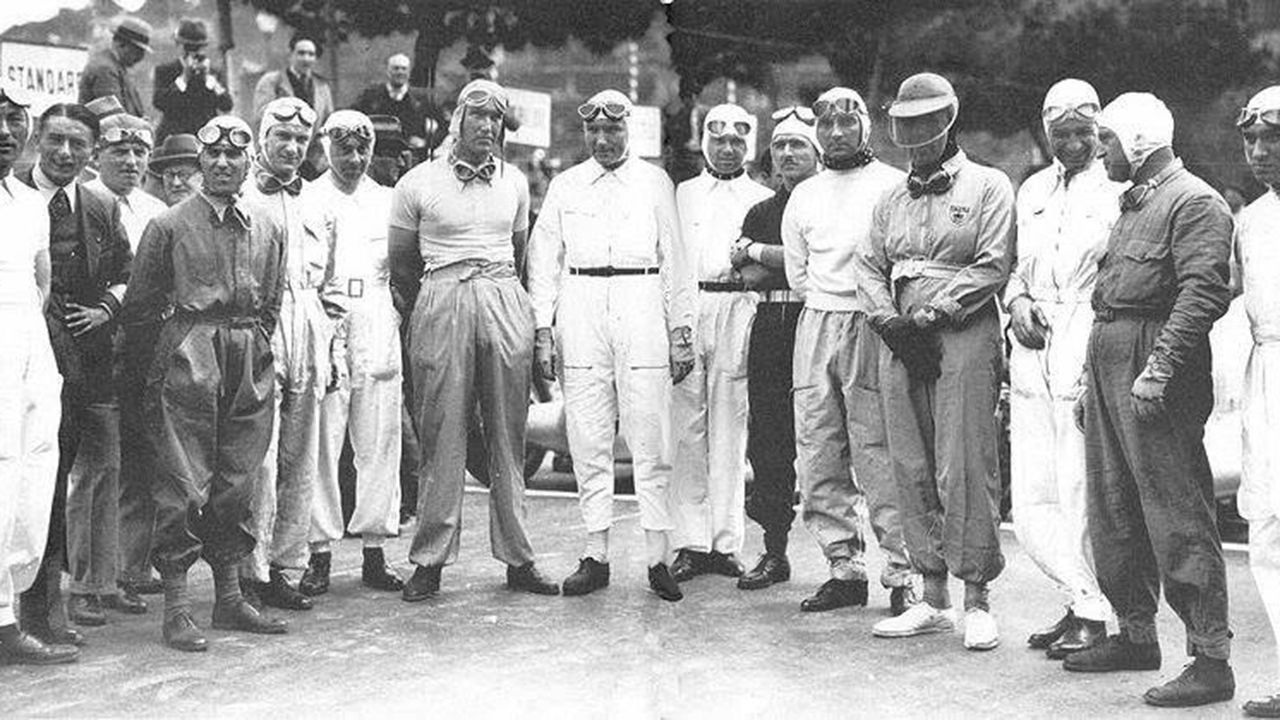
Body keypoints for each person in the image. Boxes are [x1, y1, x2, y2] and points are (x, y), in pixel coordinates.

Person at [1063, 92, 1236, 708]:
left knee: (1176, 512)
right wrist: (1090, 382)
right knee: (1114, 507)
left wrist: (1159, 368)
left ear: (1136, 143)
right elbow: (1110, 295)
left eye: (1105, 140)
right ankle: (1136, 633)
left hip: (1153, 363)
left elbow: (1202, 294)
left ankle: (1210, 658)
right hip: (1112, 356)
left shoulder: (1193, 202)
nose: (1097, 150)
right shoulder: (1134, 203)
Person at [120, 114, 289, 652]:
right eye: (211, 156)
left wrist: (255, 353)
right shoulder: (168, 225)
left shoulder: (268, 226)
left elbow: (271, 300)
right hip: (187, 356)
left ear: (248, 163)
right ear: (199, 164)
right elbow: (142, 308)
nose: (221, 163)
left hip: (248, 358)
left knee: (238, 478)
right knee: (182, 480)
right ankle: (176, 607)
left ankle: (231, 597)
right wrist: (163, 371)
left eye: (233, 156)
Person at [855, 73, 1013, 650]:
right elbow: (868, 266)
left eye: (928, 124)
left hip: (962, 334)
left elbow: (994, 263)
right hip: (900, 338)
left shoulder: (989, 187)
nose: (916, 136)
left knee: (964, 459)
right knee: (910, 460)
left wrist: (933, 314)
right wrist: (889, 322)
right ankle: (933, 594)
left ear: (948, 123)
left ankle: (977, 598)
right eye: (907, 125)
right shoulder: (891, 198)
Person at [389, 79, 559, 601]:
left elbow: (521, 252)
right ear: (457, 120)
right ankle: (430, 561)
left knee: (510, 431)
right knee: (442, 429)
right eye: (478, 118)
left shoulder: (515, 183)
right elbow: (402, 264)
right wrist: (436, 301)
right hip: (442, 294)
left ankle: (519, 557)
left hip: (503, 294)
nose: (486, 129)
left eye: (496, 121)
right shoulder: (417, 182)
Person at [527, 88, 696, 602]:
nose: (602, 139)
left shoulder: (655, 182)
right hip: (580, 305)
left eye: (612, 130)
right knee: (587, 434)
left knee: (650, 434)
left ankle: (656, 558)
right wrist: (542, 332)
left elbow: (675, 261)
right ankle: (595, 555)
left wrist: (680, 332)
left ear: (629, 131)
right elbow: (543, 262)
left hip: (641, 300)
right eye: (594, 131)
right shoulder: (565, 185)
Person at [781, 87, 915, 615]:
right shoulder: (805, 194)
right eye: (826, 123)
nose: (836, 132)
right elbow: (798, 273)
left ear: (865, 122)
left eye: (847, 120)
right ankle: (844, 566)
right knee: (816, 448)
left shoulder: (892, 185)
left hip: (873, 323)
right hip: (817, 322)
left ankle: (905, 572)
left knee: (878, 450)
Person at [1006, 78, 1122, 659]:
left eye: (1085, 132)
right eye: (1062, 134)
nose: (1074, 144)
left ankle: (1095, 610)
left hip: (1086, 333)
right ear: (1046, 131)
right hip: (1032, 340)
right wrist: (1018, 303)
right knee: (1032, 490)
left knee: (1079, 483)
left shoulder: (1118, 190)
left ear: (1100, 131)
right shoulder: (1029, 190)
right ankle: (1073, 593)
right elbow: (1014, 268)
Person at [16, 103, 134, 636]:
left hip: (86, 363)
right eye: (56, 140)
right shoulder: (13, 196)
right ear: (38, 138)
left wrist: (105, 308)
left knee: (67, 473)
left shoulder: (101, 205)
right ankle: (20, 606)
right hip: (18, 356)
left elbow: (128, 274)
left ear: (91, 152)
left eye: (78, 145)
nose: (65, 153)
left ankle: (54, 601)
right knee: (21, 478)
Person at [237, 96, 344, 613]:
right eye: (283, 137)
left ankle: (287, 566)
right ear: (263, 140)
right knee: (258, 457)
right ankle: (248, 570)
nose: (293, 148)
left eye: (301, 140)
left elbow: (331, 285)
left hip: (310, 327)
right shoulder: (242, 197)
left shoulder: (319, 202)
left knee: (301, 457)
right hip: (261, 324)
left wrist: (334, 349)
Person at [298, 110, 404, 596]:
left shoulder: (388, 200)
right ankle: (318, 553)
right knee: (324, 437)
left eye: (362, 149)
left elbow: (404, 267)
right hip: (327, 317)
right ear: (325, 147)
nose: (355, 159)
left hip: (377, 316)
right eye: (344, 149)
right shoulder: (307, 198)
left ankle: (375, 549)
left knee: (379, 434)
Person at [669, 103, 772, 583]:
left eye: (736, 141)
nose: (727, 149)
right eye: (718, 140)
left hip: (739, 307)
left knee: (732, 426)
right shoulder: (682, 195)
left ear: (748, 145)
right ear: (703, 141)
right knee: (687, 430)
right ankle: (690, 543)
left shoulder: (762, 197)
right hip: (691, 307)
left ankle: (726, 543)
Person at [0, 83, 79, 665]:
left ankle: (7, 616)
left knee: (29, 477)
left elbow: (40, 284)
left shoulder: (28, 204)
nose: (5, 133)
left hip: (27, 344)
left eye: (12, 119)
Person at [84, 112, 168, 609]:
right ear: (98, 154)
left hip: (143, 346)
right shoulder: (82, 202)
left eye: (140, 152)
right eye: (120, 151)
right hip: (93, 346)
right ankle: (91, 576)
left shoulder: (155, 209)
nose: (132, 161)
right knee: (95, 466)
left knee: (140, 460)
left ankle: (130, 565)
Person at [734, 107, 819, 591]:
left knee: (830, 438)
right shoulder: (762, 211)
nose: (787, 154)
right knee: (768, 437)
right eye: (780, 146)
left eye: (798, 146)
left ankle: (850, 558)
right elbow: (747, 276)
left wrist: (760, 254)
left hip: (818, 318)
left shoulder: (830, 202)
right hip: (771, 322)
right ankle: (774, 550)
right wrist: (779, 264)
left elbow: (822, 262)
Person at [1236, 84, 1280, 720]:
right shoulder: (1251, 219)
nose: (1261, 151)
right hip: (1266, 373)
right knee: (1267, 521)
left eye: (1274, 138)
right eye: (1251, 140)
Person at [253, 33, 334, 180]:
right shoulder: (272, 82)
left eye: (311, 54)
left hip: (312, 160)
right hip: (280, 154)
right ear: (290, 55)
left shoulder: (322, 86)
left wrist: (321, 154)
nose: (306, 59)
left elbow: (328, 121)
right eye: (301, 53)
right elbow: (261, 118)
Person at [152, 19, 233, 143]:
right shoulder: (165, 71)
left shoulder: (214, 73)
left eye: (199, 48)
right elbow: (159, 102)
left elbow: (227, 104)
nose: (194, 53)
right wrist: (183, 78)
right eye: (189, 47)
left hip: (205, 137)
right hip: (173, 138)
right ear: (179, 46)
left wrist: (209, 80)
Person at [352, 54, 444, 155]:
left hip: (412, 156)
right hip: (378, 155)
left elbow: (444, 125)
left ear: (409, 72)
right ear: (388, 71)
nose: (400, 72)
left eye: (404, 69)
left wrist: (426, 143)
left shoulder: (422, 99)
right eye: (396, 68)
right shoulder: (372, 96)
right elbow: (353, 118)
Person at [78, 17, 150, 117]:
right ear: (121, 44)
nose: (140, 57)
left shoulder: (117, 67)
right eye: (137, 51)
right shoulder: (105, 69)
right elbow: (114, 115)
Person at [144, 133, 202, 206]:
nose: (176, 183)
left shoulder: (217, 214)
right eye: (169, 175)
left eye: (184, 175)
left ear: (203, 177)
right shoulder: (156, 214)